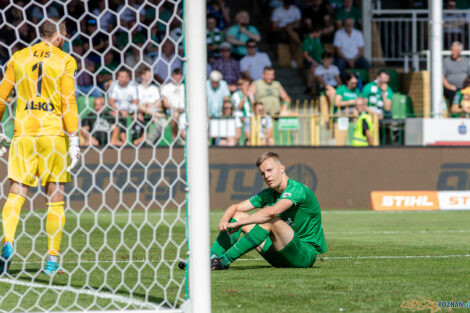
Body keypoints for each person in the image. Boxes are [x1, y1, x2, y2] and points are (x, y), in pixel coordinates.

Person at [0, 19, 80, 275]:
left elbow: (2, 96)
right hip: (53, 135)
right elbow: (68, 101)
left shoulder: (18, 57)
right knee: (55, 197)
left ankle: (8, 242)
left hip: (24, 133)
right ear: (58, 36)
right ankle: (52, 260)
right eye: (65, 35)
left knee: (16, 192)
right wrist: (75, 138)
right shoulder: (65, 60)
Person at [206, 152, 327, 270]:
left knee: (269, 219)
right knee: (238, 216)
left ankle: (223, 261)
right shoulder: (268, 193)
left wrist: (238, 224)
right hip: (278, 254)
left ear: (282, 168)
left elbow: (272, 212)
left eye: (270, 170)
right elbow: (235, 207)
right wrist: (224, 220)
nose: (266, 176)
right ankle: (208, 259)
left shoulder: (297, 189)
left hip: (303, 256)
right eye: (262, 173)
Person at [107, 68, 141, 146]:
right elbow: (111, 102)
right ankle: (123, 140)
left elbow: (135, 103)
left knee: (139, 117)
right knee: (115, 116)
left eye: (122, 77)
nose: (119, 78)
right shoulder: (115, 87)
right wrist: (120, 110)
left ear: (128, 79)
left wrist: (130, 112)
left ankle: (138, 138)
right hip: (117, 110)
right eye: (119, 76)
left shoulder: (132, 87)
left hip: (130, 111)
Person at [271, 0, 302, 68]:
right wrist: (285, 27)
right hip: (281, 30)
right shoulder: (277, 10)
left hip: (293, 30)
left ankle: (293, 60)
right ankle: (300, 44)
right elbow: (274, 26)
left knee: (292, 39)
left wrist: (289, 26)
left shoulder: (295, 9)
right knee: (289, 30)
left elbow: (298, 24)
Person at [161, 69, 185, 141]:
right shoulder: (166, 87)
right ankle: (174, 137)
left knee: (184, 134)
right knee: (175, 115)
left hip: (184, 111)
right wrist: (176, 109)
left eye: (179, 78)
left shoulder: (185, 87)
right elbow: (166, 104)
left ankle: (181, 137)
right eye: (176, 77)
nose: (177, 79)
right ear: (172, 77)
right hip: (171, 110)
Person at [302, 25, 324, 93]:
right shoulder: (306, 40)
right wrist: (314, 62)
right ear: (315, 32)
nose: (320, 34)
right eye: (319, 33)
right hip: (309, 60)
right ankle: (310, 86)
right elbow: (306, 56)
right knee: (313, 68)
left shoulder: (317, 40)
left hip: (319, 59)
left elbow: (320, 51)